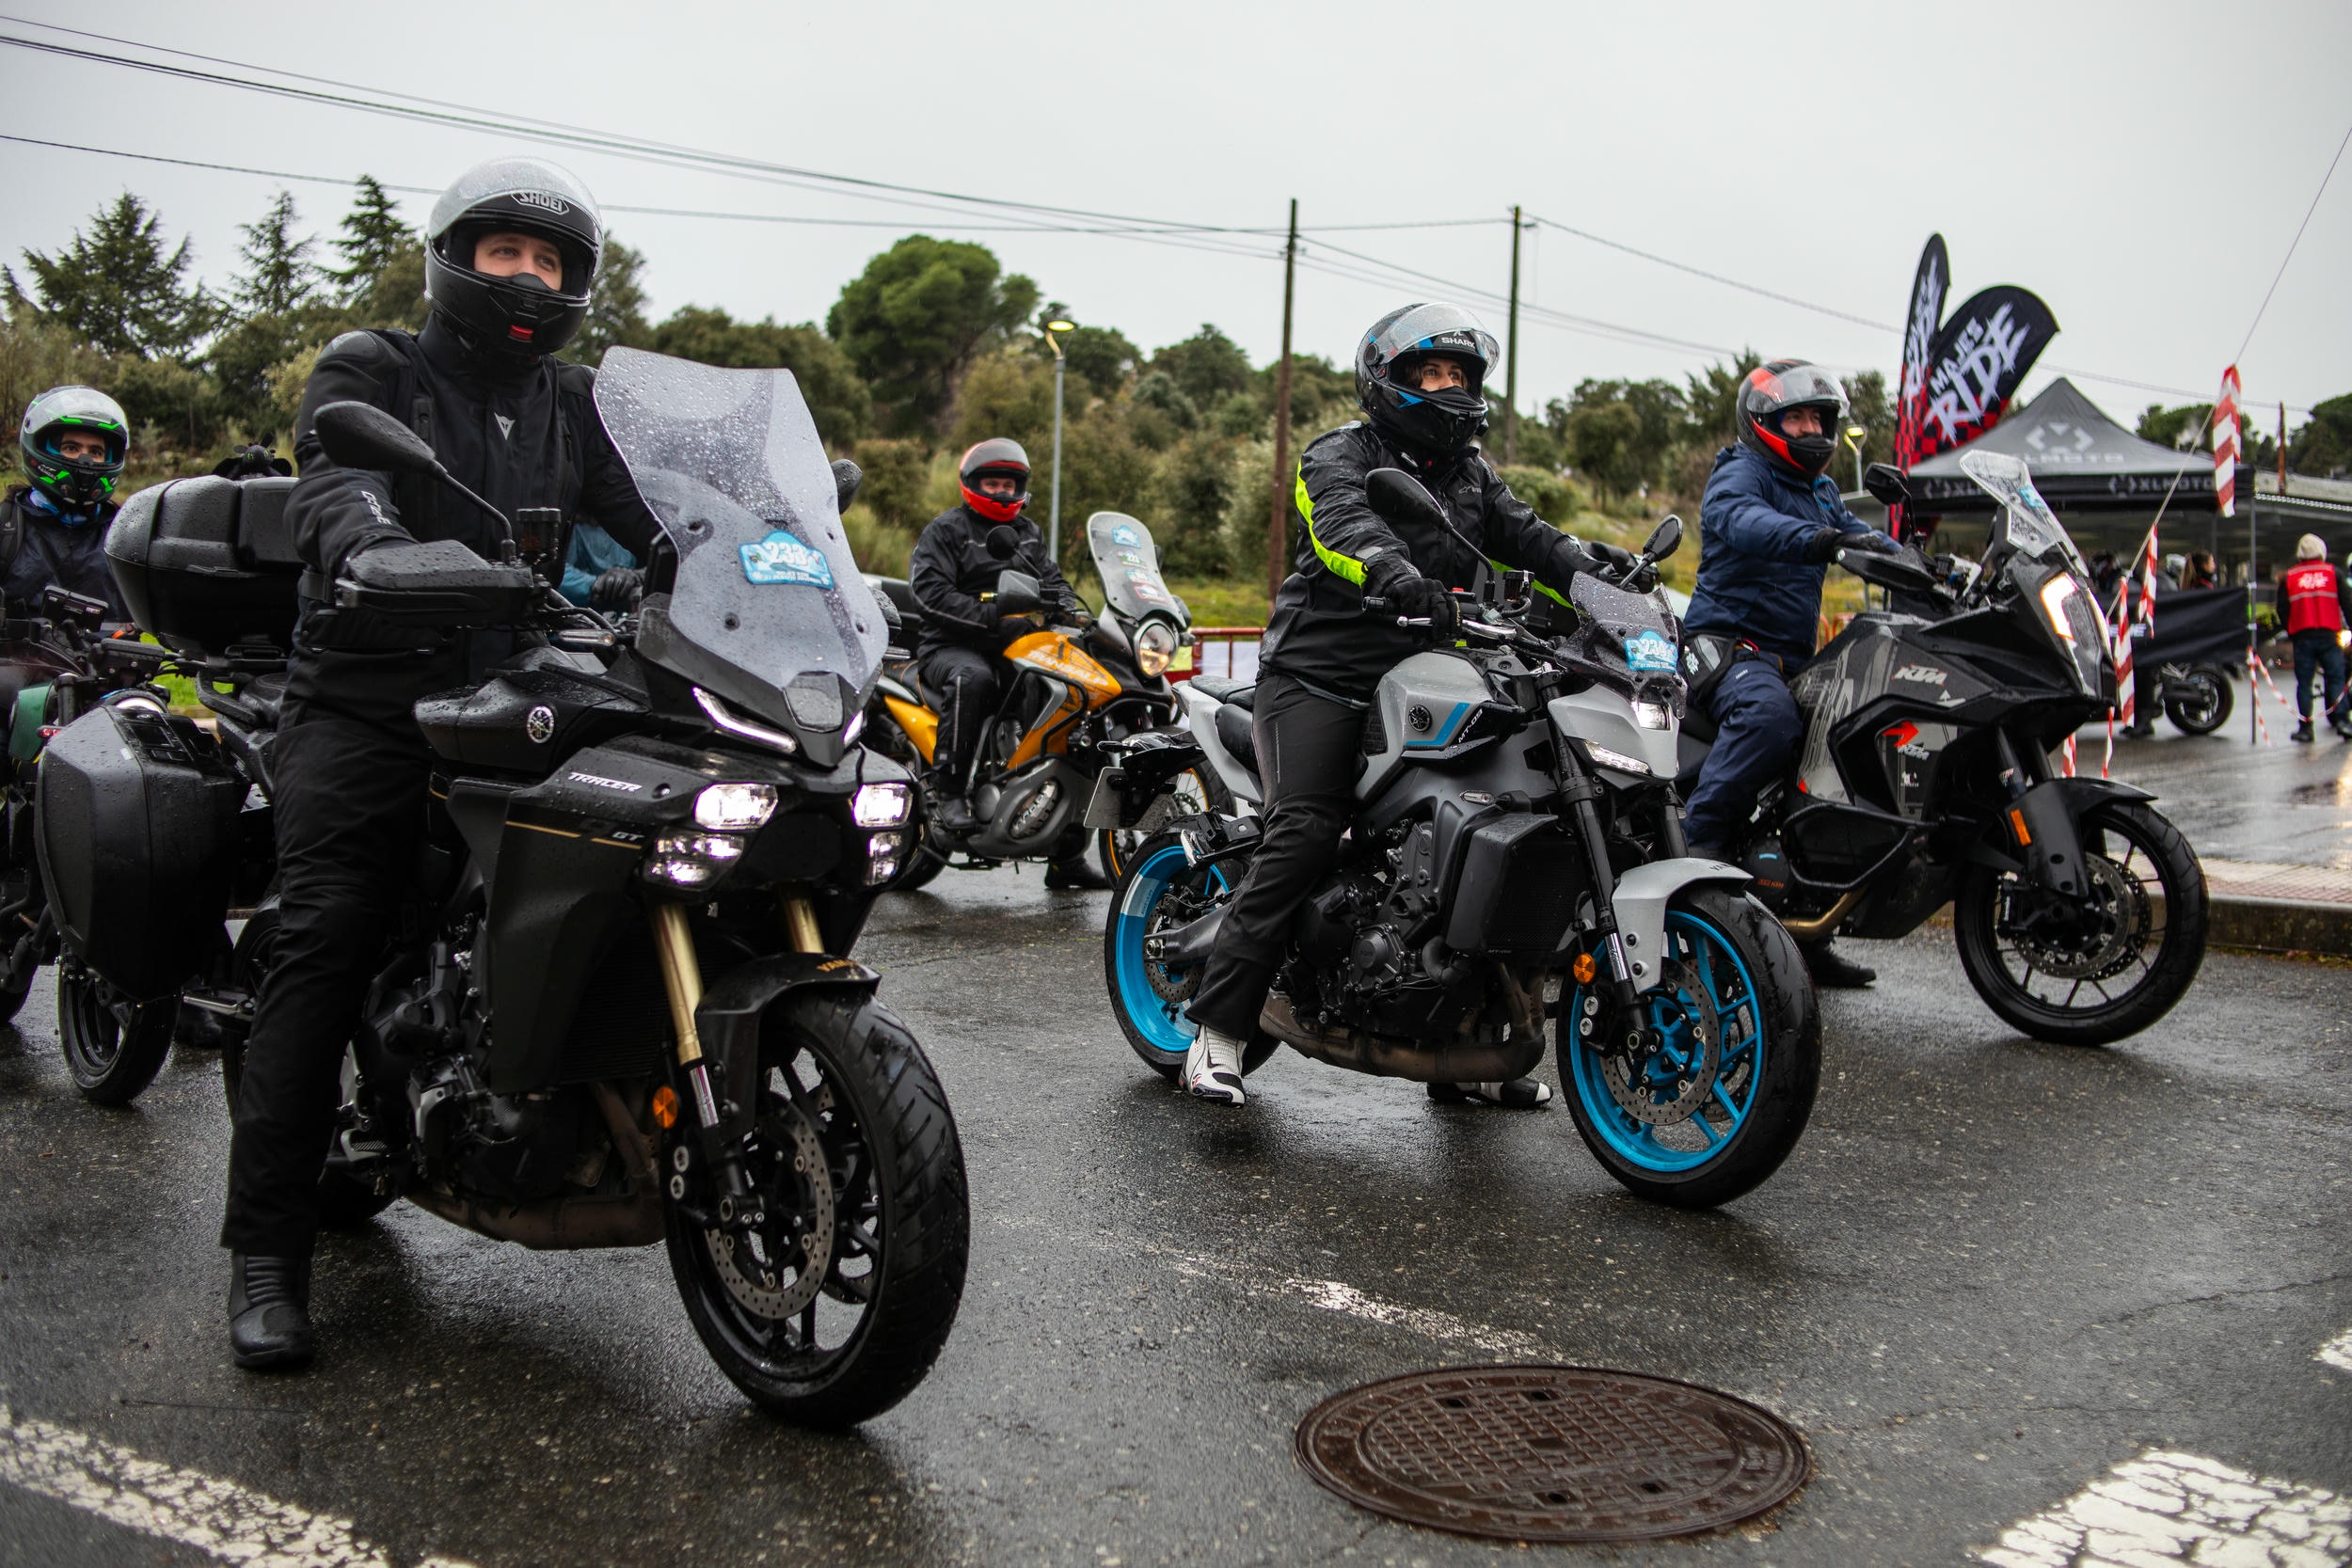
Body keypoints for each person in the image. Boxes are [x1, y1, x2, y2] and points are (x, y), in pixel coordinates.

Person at [219, 156, 660, 1370]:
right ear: (454, 260)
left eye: (551, 260)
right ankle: (267, 1251)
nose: (529, 277)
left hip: (517, 693)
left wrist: (749, 554)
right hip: (368, 699)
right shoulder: (374, 369)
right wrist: (370, 542)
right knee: (326, 930)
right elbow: (337, 486)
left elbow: (651, 514)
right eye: (505, 251)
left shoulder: (574, 402)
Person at [1182, 302, 1644, 1110]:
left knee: (1505, 816)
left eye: (1459, 373)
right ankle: (1218, 1031)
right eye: (1430, 373)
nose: (1448, 386)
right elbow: (1342, 526)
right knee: (1307, 830)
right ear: (1386, 381)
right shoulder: (1340, 454)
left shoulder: (1471, 475)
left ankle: (1467, 1042)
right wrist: (1394, 573)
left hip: (1429, 675)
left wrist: (1605, 585)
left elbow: (1533, 538)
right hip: (1320, 677)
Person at [1679, 359, 1900, 989]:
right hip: (1726, 648)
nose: (1808, 429)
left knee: (1841, 744)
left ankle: (1807, 933)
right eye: (1794, 418)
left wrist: (1926, 567)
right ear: (1764, 424)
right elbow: (1742, 520)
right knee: (1768, 719)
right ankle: (1695, 850)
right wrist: (1819, 540)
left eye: (1816, 418)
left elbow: (1860, 536)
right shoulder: (1741, 472)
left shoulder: (1821, 491)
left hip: (1791, 659)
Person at [905, 438, 1105, 889]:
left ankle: (1066, 850)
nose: (1001, 492)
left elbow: (1052, 581)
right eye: (992, 483)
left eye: (1008, 484)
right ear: (973, 484)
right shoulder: (946, 531)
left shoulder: (1028, 533)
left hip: (1015, 647)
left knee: (1070, 700)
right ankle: (949, 791)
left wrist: (1073, 611)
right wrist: (995, 616)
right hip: (950, 647)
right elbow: (931, 594)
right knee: (973, 679)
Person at [4, 386, 132, 619]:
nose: (85, 460)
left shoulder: (127, 538)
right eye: (71, 448)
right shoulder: (6, 528)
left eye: (96, 451)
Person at [2278, 534, 2352, 742]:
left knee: (2304, 683)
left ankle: (2306, 729)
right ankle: (2342, 722)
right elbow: (2348, 604)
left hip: (2302, 638)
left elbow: (2282, 609)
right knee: (2336, 678)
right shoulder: (2333, 573)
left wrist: (2291, 631)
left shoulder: (2290, 577)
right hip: (2329, 637)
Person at [560, 519, 642, 610]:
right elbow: (555, 574)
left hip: (628, 607)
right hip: (579, 610)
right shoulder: (573, 526)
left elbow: (651, 562)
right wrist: (598, 584)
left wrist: (636, 576)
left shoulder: (631, 522)